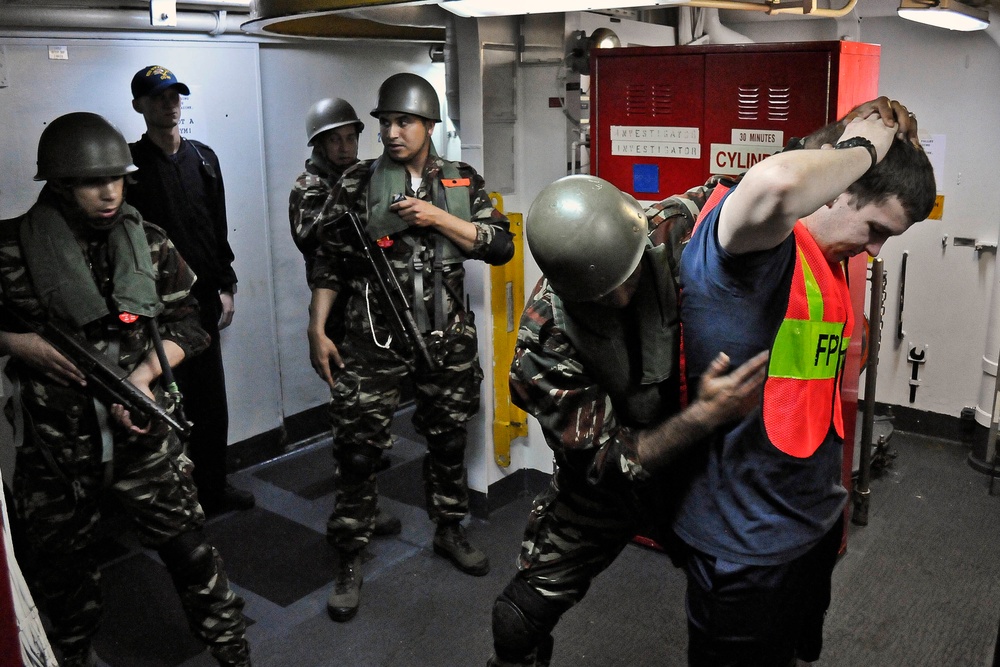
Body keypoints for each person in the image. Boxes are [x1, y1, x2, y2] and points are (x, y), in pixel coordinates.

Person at [674, 101, 935, 666]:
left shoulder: (829, 257)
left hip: (809, 522)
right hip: (745, 544)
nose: (874, 249)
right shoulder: (749, 249)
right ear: (836, 190)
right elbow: (777, 183)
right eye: (875, 229)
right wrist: (864, 146)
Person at [486, 174, 769, 667]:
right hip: (607, 483)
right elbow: (606, 461)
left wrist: (857, 141)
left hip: (696, 472)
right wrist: (704, 415)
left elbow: (770, 186)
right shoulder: (544, 342)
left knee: (748, 610)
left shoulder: (672, 227)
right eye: (597, 294)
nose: (618, 300)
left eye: (627, 279)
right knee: (516, 619)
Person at [0, 112, 251, 667]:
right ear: (59, 184)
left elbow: (194, 324)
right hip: (56, 452)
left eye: (117, 178)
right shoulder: (11, 248)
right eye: (93, 182)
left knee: (193, 555)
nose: (110, 192)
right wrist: (20, 345)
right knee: (63, 579)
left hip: (145, 438)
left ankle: (234, 653)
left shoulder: (152, 244)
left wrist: (144, 377)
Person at [307, 72, 515, 622]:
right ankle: (349, 555)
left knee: (448, 440)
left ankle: (449, 528)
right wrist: (317, 326)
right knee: (357, 449)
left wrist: (437, 218)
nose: (393, 132)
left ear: (428, 125)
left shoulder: (461, 181)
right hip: (372, 336)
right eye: (386, 123)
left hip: (444, 337)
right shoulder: (356, 183)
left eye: (405, 122)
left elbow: (499, 246)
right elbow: (328, 261)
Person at [126, 65, 254, 515]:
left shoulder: (203, 157)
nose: (169, 103)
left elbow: (216, 228)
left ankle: (214, 488)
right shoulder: (128, 166)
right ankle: (175, 500)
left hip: (200, 300)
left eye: (175, 94)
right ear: (139, 105)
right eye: (158, 96)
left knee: (210, 401)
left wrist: (227, 284)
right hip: (154, 309)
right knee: (164, 402)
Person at [289, 97, 400, 536]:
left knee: (369, 418)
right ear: (318, 145)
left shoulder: (364, 177)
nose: (345, 147)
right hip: (335, 315)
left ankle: (366, 488)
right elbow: (311, 237)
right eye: (334, 140)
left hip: (372, 310)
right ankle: (358, 509)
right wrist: (351, 187)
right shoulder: (310, 186)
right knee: (350, 421)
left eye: (351, 137)